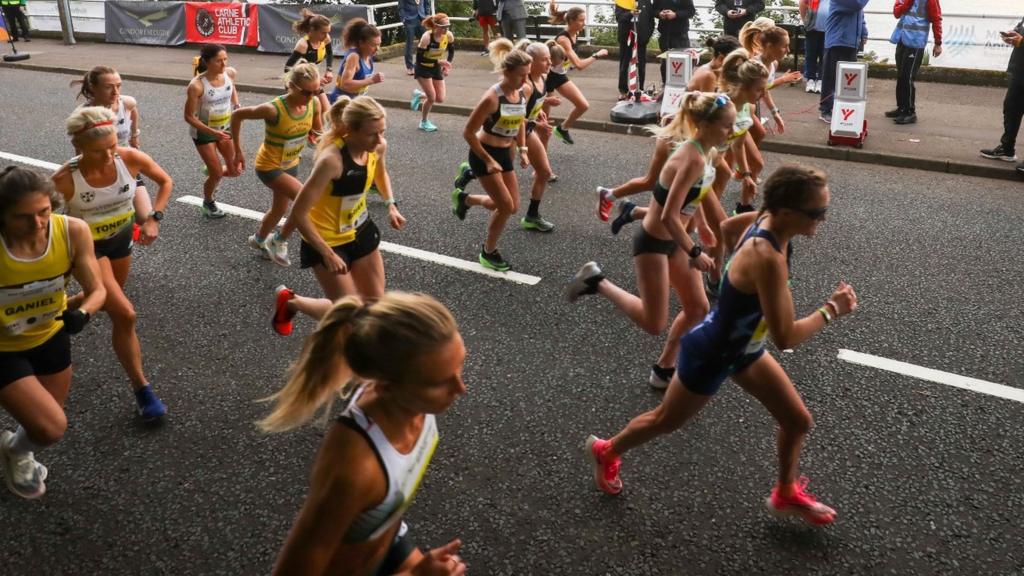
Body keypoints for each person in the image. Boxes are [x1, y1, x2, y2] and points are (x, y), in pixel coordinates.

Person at [584, 164, 858, 528]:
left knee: (796, 421)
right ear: (789, 212)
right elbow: (786, 337)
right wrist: (831, 310)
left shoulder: (765, 219)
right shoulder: (768, 258)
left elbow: (727, 229)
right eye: (818, 213)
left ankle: (786, 492)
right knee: (665, 420)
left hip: (744, 350)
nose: (823, 219)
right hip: (712, 353)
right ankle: (606, 450)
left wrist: (724, 279)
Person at [261, 292, 467, 576]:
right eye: (440, 381)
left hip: (389, 543)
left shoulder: (413, 402)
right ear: (385, 386)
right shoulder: (354, 469)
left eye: (459, 366)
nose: (460, 388)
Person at [567, 92, 734, 389]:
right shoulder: (691, 157)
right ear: (703, 125)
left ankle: (664, 368)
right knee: (654, 323)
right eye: (725, 126)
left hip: (677, 241)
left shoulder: (708, 153)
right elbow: (670, 215)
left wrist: (703, 225)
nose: (731, 132)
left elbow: (696, 195)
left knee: (697, 308)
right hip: (655, 242)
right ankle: (596, 281)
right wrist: (695, 250)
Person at [53, 106, 173, 421]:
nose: (109, 155)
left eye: (112, 146)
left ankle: (65, 307)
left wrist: (153, 219)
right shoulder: (65, 179)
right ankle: (143, 391)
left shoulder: (128, 158)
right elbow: (40, 218)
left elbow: (165, 182)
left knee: (107, 299)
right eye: (99, 151)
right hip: (88, 250)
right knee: (126, 314)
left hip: (120, 240)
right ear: (78, 148)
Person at [0, 166, 105, 499]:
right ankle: (18, 453)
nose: (37, 224)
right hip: (3, 348)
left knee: (42, 427)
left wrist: (84, 314)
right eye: (23, 217)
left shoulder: (72, 231)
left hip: (51, 335)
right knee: (51, 426)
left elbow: (97, 289)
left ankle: (15, 449)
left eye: (44, 211)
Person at [271, 96, 405, 336]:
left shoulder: (376, 147)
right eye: (372, 134)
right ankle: (291, 302)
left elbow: (380, 174)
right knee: (351, 315)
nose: (379, 140)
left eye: (382, 132)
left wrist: (390, 204)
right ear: (350, 131)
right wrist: (327, 253)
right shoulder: (331, 161)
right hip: (327, 240)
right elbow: (299, 213)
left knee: (373, 307)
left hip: (360, 230)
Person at [452, 40, 559, 233]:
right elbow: (514, 115)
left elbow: (528, 109)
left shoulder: (541, 79)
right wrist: (535, 126)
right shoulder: (523, 86)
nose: (550, 63)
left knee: (540, 174)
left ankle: (470, 182)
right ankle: (473, 173)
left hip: (522, 130)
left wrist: (540, 111)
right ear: (531, 62)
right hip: (514, 133)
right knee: (506, 187)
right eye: (545, 60)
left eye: (550, 59)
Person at [449, 40, 532, 272]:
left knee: (513, 206)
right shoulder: (492, 99)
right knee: (505, 207)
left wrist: (523, 150)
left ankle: (465, 199)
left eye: (527, 75)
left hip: (506, 153)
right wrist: (487, 159)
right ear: (507, 72)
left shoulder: (522, 91)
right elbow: (468, 133)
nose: (525, 81)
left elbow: (521, 122)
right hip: (484, 153)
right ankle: (488, 252)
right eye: (521, 76)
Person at [231, 61, 323, 267]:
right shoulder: (273, 109)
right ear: (291, 86)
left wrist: (320, 139)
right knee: (305, 200)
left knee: (280, 209)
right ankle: (279, 240)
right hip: (269, 166)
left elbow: (317, 132)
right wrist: (238, 150)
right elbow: (237, 116)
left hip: (291, 163)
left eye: (316, 92)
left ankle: (259, 240)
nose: (311, 97)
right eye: (306, 92)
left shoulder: (314, 104)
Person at [71, 66, 156, 236]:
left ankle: (123, 227)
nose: (115, 91)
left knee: (144, 217)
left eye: (119, 86)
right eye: (108, 87)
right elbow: (79, 151)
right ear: (94, 88)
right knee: (99, 222)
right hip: (99, 170)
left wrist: (134, 135)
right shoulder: (83, 115)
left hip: (126, 167)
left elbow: (133, 112)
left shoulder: (127, 102)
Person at [185, 44, 240, 218]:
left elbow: (232, 88)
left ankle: (211, 168)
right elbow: (189, 117)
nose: (223, 64)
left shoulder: (229, 74)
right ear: (207, 62)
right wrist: (213, 132)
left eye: (225, 59)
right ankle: (208, 202)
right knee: (217, 174)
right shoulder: (197, 86)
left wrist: (236, 105)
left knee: (234, 171)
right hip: (204, 133)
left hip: (224, 128)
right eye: (219, 61)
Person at [546, 2, 609, 145]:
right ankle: (525, 143)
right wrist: (596, 55)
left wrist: (567, 66)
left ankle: (563, 129)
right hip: (548, 78)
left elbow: (568, 62)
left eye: (584, 20)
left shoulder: (576, 33)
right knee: (544, 120)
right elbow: (579, 65)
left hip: (560, 75)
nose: (584, 23)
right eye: (581, 20)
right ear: (571, 21)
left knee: (583, 105)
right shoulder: (563, 39)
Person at [886, 0, 942, 125]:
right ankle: (901, 108)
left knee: (908, 77)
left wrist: (938, 43)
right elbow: (896, 13)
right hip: (902, 38)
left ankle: (910, 112)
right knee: (901, 75)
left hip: (915, 42)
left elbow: (936, 19)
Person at [980, 16, 1024, 175]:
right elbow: (1021, 30)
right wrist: (1013, 34)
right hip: (1019, 69)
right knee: (1011, 109)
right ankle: (1007, 149)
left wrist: (1021, 41)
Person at [819, 0, 868, 123]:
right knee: (830, 78)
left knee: (848, 80)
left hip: (851, 42)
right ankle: (825, 109)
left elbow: (859, 13)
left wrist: (864, 31)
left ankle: (844, 108)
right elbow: (856, 5)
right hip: (837, 41)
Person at [285, 9, 334, 119]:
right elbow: (287, 69)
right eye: (323, 32)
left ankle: (317, 133)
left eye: (328, 32)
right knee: (305, 114)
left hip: (312, 80)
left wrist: (329, 70)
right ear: (312, 30)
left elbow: (330, 53)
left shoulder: (325, 39)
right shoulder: (303, 45)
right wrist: (312, 77)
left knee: (327, 111)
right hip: (297, 82)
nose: (326, 36)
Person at [411, 13, 455, 133]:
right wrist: (439, 62)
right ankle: (423, 122)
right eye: (443, 27)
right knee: (431, 97)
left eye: (448, 26)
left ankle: (419, 95)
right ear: (435, 26)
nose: (446, 29)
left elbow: (451, 52)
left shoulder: (449, 36)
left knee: (440, 98)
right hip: (422, 68)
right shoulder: (426, 37)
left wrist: (447, 66)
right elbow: (419, 59)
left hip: (435, 67)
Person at [332, 18, 384, 102]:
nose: (377, 49)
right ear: (361, 43)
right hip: (342, 103)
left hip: (356, 102)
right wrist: (371, 80)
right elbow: (345, 84)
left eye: (379, 44)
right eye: (373, 45)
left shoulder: (368, 56)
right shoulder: (354, 57)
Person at [614, 0, 655, 99]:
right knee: (624, 65)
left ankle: (639, 89)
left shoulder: (646, 2)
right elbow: (619, 18)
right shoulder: (622, 2)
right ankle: (624, 90)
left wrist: (647, 36)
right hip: (626, 38)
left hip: (641, 39)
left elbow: (651, 21)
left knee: (641, 66)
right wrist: (630, 13)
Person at [799, 0, 830, 93]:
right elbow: (802, 3)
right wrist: (806, 21)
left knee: (824, 56)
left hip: (828, 30)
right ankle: (810, 79)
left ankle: (821, 80)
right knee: (810, 54)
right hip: (812, 28)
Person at [398, 0, 429, 76]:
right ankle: (410, 67)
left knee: (425, 42)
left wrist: (427, 14)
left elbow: (426, 3)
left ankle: (422, 64)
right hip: (409, 20)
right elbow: (401, 7)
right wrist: (404, 19)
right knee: (409, 44)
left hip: (422, 19)